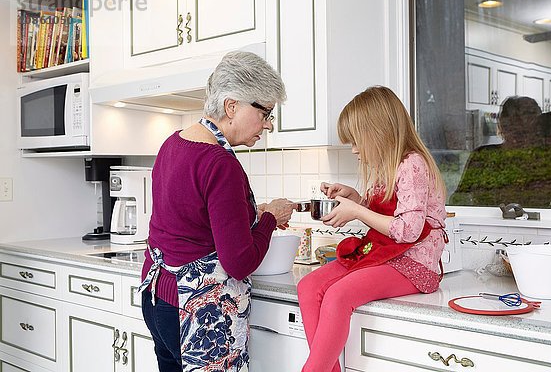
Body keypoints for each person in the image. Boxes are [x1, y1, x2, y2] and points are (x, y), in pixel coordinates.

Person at [138, 51, 295, 372]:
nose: (267, 125)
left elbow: (193, 218)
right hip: (195, 311)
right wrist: (268, 219)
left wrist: (250, 214)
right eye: (264, 113)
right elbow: (239, 263)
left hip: (157, 300)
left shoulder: (173, 143)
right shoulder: (220, 163)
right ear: (232, 105)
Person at [297, 86, 447, 372]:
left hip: (414, 265)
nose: (353, 149)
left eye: (356, 140)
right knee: (308, 286)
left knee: (339, 295)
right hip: (387, 256)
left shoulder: (412, 164)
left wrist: (357, 211)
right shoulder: (387, 166)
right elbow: (389, 211)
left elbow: (407, 231)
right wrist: (356, 198)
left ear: (378, 131)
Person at [449, 96, 542, 206]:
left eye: (525, 131)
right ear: (502, 125)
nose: (519, 138)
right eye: (514, 129)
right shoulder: (483, 156)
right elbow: (458, 198)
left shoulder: (543, 161)